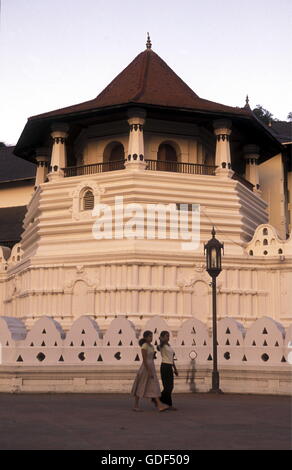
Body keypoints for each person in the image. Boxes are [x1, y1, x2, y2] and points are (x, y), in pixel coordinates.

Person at [131, 330, 169, 412]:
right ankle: (136, 405)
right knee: (141, 385)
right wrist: (148, 371)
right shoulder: (144, 346)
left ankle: (159, 405)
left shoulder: (151, 346)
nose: (151, 338)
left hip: (151, 366)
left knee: (154, 386)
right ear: (145, 337)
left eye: (151, 336)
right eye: (149, 336)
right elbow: (144, 359)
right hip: (146, 367)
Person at [157, 330, 178, 410]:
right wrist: (161, 340)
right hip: (164, 366)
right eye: (166, 336)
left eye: (168, 336)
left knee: (170, 386)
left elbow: (172, 359)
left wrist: (175, 369)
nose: (168, 337)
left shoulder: (169, 346)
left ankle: (159, 400)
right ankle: (168, 404)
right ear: (162, 337)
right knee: (167, 387)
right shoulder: (162, 346)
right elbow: (158, 348)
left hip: (169, 366)